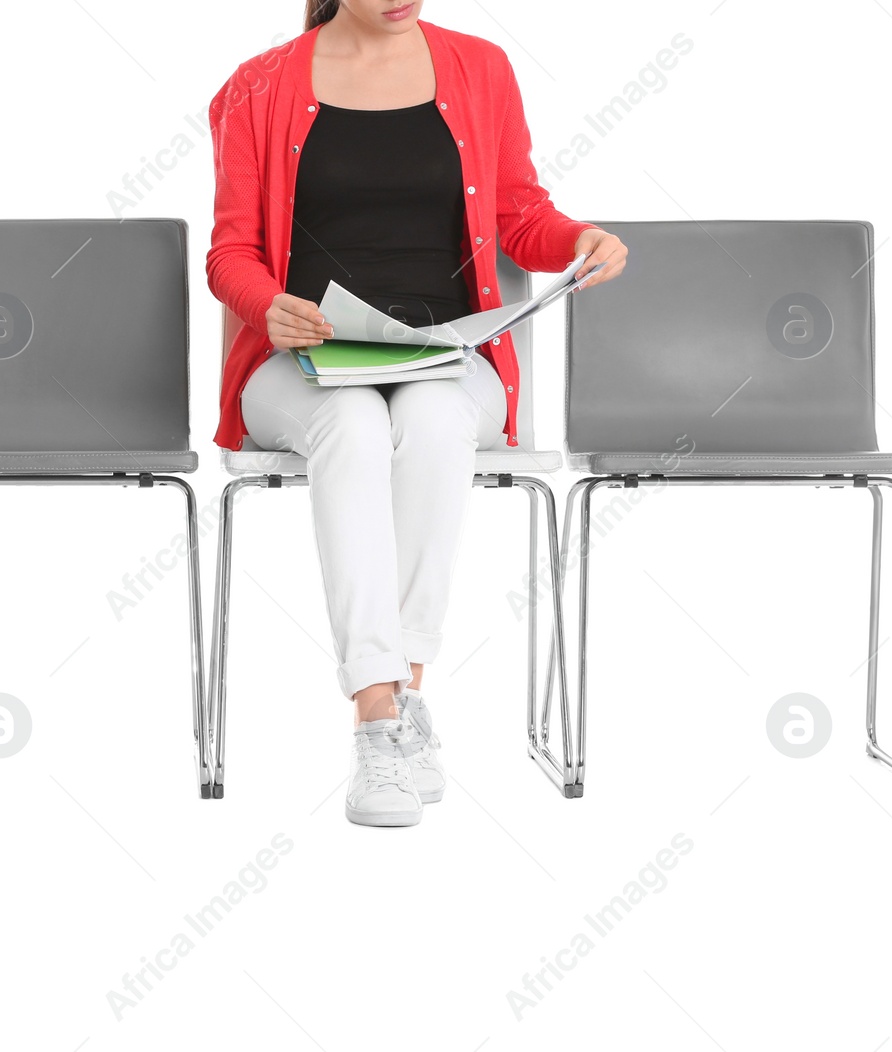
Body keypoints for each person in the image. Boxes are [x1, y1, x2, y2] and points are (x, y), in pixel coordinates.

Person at [205, 0, 628, 826]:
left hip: (450, 353)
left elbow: (519, 216)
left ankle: (404, 694)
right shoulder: (256, 86)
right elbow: (230, 252)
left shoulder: (480, 68)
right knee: (354, 422)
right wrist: (269, 305)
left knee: (435, 421)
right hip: (301, 364)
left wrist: (578, 237)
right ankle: (378, 719)